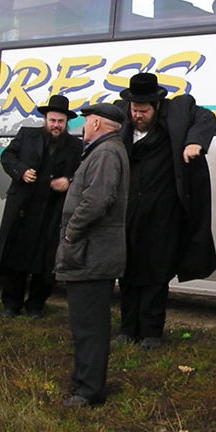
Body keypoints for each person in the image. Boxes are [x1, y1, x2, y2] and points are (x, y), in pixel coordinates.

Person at [117, 72, 216, 349]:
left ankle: (151, 332)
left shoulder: (176, 113)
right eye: (134, 110)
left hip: (163, 217)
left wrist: (195, 142)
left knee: (156, 273)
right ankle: (127, 328)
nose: (137, 115)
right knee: (126, 272)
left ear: (157, 106)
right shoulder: (121, 118)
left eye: (143, 111)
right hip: (128, 213)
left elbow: (206, 118)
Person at [56, 103, 129, 407]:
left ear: (97, 123)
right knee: (86, 323)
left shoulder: (105, 153)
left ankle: (89, 391)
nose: (82, 128)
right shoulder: (106, 151)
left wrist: (72, 231)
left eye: (85, 122)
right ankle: (84, 382)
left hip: (92, 252)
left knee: (90, 326)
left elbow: (97, 200)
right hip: (92, 252)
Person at [0, 94, 83, 318]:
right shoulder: (27, 135)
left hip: (52, 212)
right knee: (16, 258)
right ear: (45, 120)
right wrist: (21, 171)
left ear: (66, 123)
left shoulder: (75, 146)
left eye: (60, 122)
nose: (56, 125)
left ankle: (36, 304)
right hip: (24, 209)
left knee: (45, 262)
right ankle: (11, 304)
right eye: (52, 121)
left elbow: (82, 173)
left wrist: (69, 181)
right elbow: (7, 156)